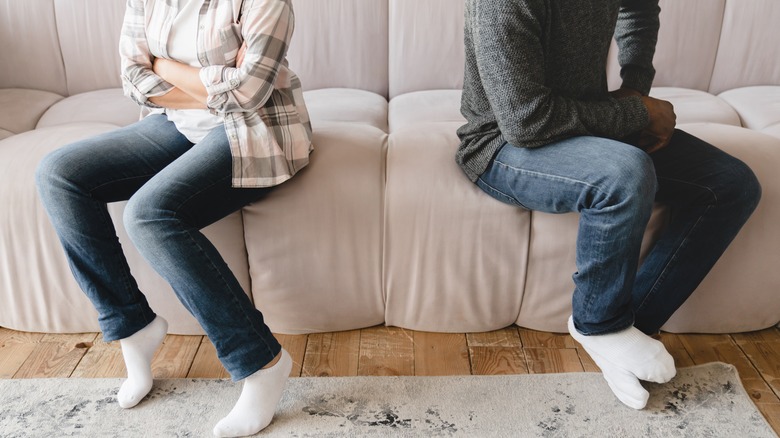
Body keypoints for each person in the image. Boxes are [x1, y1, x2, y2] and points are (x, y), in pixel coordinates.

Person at [457, 0, 761, 409]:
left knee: (731, 184)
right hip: (503, 144)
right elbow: (525, 120)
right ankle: (599, 326)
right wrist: (635, 111)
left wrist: (636, 85)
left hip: (589, 122)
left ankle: (626, 331)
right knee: (625, 172)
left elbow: (639, 7)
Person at [35, 0, 311, 435]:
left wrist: (167, 66)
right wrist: (214, 82)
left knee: (148, 215)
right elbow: (133, 77)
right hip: (177, 124)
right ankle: (133, 327)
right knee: (59, 174)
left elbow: (250, 94)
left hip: (254, 132)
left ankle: (261, 363)